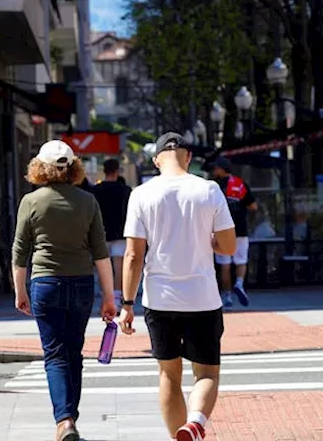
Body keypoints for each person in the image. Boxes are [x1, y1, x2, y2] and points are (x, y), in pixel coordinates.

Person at [120, 132, 236, 441]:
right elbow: (228, 246)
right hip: (202, 297)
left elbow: (133, 254)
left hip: (159, 298)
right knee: (207, 372)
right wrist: (208, 240)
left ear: (157, 160)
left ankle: (179, 436)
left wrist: (127, 304)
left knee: (168, 374)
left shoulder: (141, 194)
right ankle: (196, 423)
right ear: (187, 157)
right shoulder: (208, 190)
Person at [12, 141, 117, 441]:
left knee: (55, 355)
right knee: (74, 353)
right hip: (82, 283)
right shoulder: (87, 201)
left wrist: (20, 291)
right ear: (73, 167)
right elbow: (101, 252)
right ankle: (70, 418)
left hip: (45, 283)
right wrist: (109, 297)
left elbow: (20, 252)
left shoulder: (31, 202)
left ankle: (65, 420)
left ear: (40, 167)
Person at [209, 157, 255, 308]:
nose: (214, 170)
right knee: (241, 260)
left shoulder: (213, 186)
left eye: (216, 168)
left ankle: (227, 295)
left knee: (225, 264)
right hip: (241, 228)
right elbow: (253, 206)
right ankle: (240, 284)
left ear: (222, 169)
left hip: (222, 229)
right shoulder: (240, 184)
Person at [89, 159, 132, 306]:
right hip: (121, 232)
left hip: (101, 234)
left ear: (104, 171)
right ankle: (117, 298)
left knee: (103, 266)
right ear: (117, 171)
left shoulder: (95, 191)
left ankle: (105, 297)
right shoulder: (125, 190)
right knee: (119, 266)